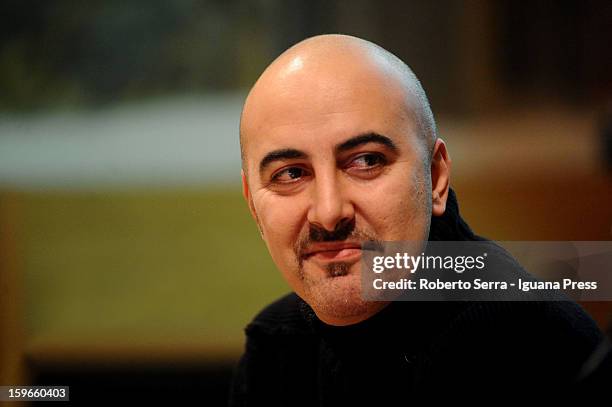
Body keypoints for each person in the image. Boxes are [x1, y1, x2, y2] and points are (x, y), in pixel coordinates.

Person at [230, 34, 608, 404]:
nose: (329, 213)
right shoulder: (276, 350)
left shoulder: (533, 345)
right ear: (252, 205)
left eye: (366, 161)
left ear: (436, 177)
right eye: (292, 174)